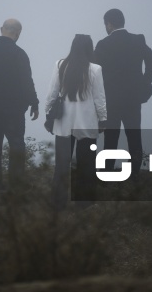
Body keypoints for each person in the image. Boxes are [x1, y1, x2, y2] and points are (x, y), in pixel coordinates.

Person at [0, 19, 39, 192]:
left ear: (1, 29)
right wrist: (34, 102)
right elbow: (27, 81)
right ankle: (16, 184)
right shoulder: (20, 54)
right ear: (18, 34)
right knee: (17, 144)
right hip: (14, 110)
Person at [45, 34, 107, 210]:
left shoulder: (61, 64)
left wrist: (48, 113)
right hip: (87, 123)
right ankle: (84, 203)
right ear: (90, 48)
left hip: (64, 123)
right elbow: (99, 98)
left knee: (61, 165)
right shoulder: (95, 69)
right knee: (86, 164)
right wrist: (103, 119)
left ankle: (58, 203)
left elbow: (52, 93)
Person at [94, 8, 152, 177]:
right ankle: (134, 174)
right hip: (133, 98)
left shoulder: (103, 44)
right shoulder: (137, 40)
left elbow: (93, 71)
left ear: (109, 23)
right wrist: (145, 81)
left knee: (111, 137)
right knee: (134, 135)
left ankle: (107, 173)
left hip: (111, 99)